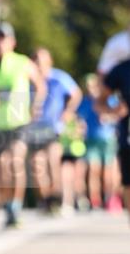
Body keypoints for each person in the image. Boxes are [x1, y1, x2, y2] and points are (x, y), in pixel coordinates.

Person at [0, 23, 45, 227]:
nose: (1, 42)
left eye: (5, 38)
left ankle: (16, 206)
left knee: (16, 162)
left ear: (13, 42)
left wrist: (35, 106)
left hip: (18, 122)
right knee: (2, 167)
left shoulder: (23, 62)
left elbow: (40, 86)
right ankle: (8, 205)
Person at [27, 48, 81, 215]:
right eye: (36, 61)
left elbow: (76, 94)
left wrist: (68, 112)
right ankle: (46, 199)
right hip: (34, 128)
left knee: (53, 162)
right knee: (37, 165)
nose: (39, 65)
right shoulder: (29, 79)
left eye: (41, 62)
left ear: (49, 62)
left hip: (54, 127)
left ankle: (57, 198)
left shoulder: (59, 77)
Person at [77, 73, 119, 209]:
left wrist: (109, 117)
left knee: (108, 172)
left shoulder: (109, 99)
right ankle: (95, 200)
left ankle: (110, 198)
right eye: (88, 86)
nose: (91, 89)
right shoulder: (85, 102)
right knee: (93, 170)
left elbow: (119, 114)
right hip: (91, 139)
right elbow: (79, 118)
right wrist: (80, 127)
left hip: (108, 139)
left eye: (93, 86)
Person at [98, 57, 130, 217]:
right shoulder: (121, 69)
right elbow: (99, 102)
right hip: (127, 137)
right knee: (128, 182)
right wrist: (114, 110)